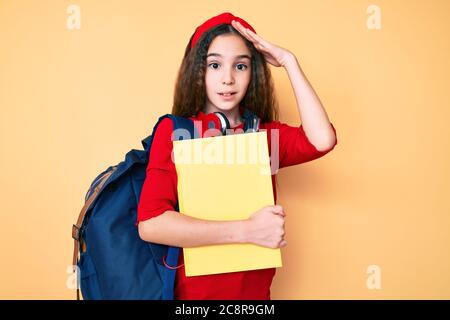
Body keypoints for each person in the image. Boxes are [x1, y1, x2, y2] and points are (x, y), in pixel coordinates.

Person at [137, 12, 337, 300]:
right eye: (215, 65)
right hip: (195, 299)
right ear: (198, 71)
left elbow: (322, 140)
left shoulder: (264, 137)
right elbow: (152, 223)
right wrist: (248, 230)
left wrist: (289, 62)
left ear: (252, 73)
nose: (228, 79)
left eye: (240, 66)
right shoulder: (176, 131)